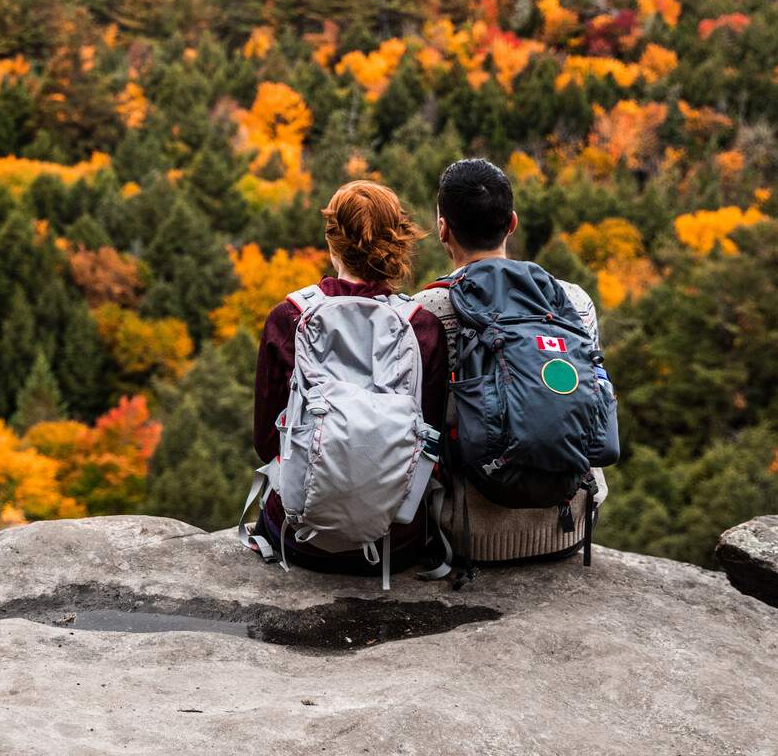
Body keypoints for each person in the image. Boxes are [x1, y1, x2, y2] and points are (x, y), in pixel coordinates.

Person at [250, 179, 447, 575]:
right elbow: (431, 442)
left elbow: (267, 441)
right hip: (396, 539)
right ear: (397, 241)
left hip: (299, 537)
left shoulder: (289, 316)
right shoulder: (422, 326)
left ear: (331, 241)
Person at [420, 157, 609, 565]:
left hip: (467, 535)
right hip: (568, 529)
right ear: (512, 223)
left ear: (442, 229)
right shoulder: (573, 302)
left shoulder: (426, 311)